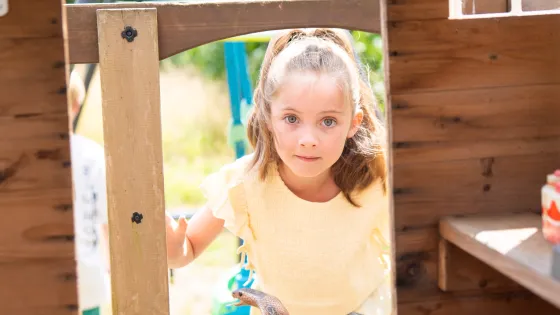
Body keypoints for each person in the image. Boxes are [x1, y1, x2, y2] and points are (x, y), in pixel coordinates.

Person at [166, 28, 392, 315]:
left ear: (353, 123)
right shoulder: (245, 182)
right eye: (292, 118)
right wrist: (174, 249)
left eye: (328, 121)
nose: (308, 138)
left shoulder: (376, 172)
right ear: (268, 117)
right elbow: (188, 248)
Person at [68, 70, 111, 315]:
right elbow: (106, 220)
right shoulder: (91, 153)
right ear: (76, 105)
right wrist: (110, 266)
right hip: (89, 273)